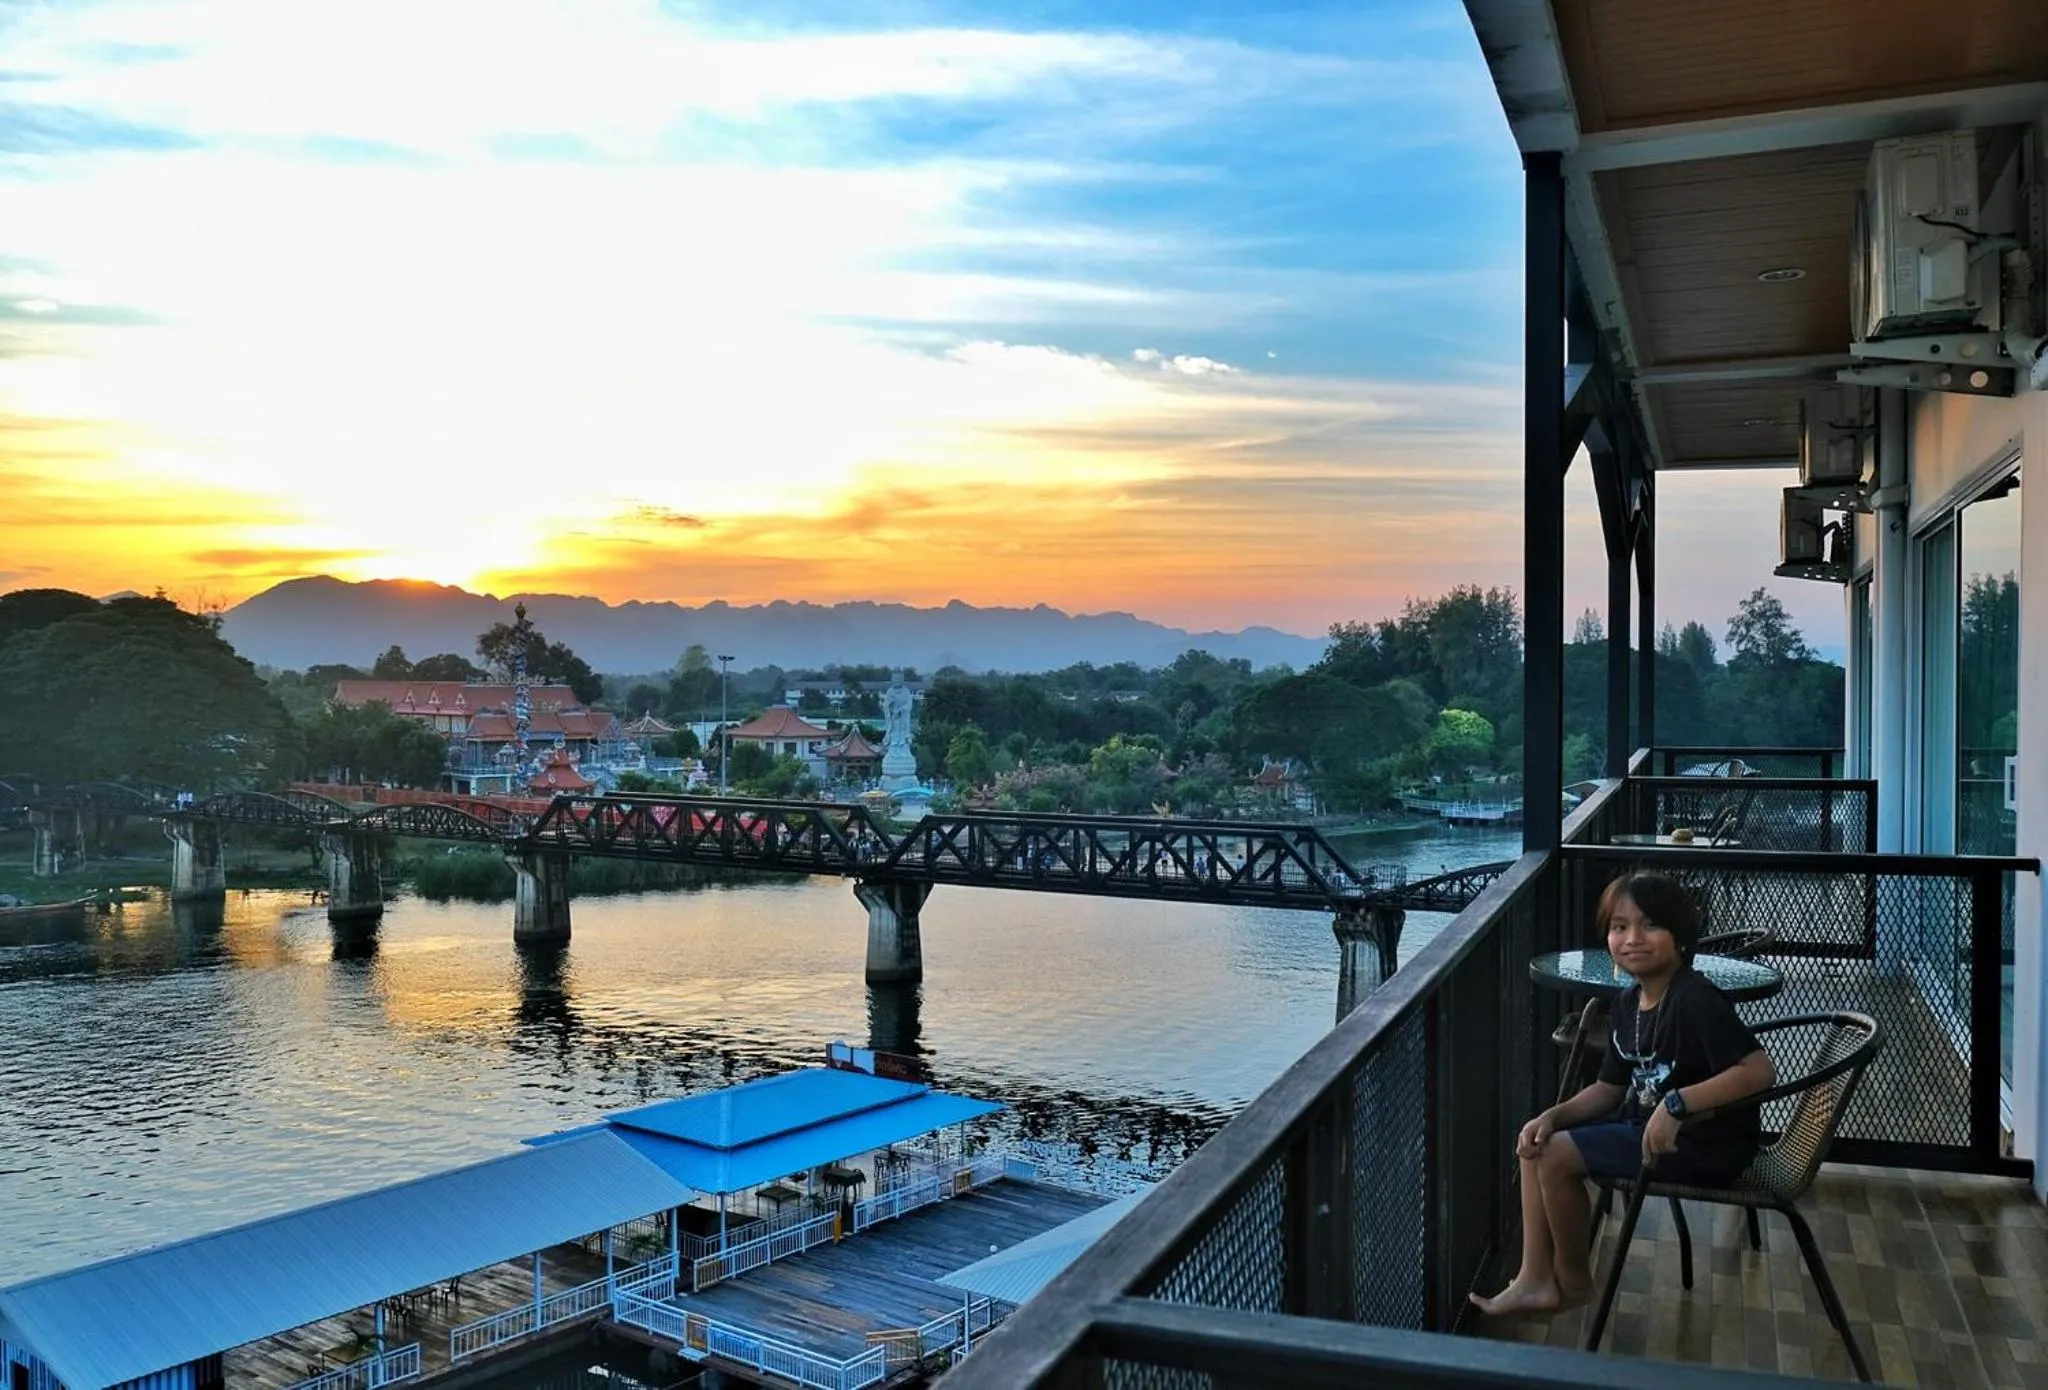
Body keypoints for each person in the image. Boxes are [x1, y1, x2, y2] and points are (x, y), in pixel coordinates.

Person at [1469, 870, 1776, 1317]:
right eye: (1619, 926)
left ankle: (1572, 1282)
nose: (1633, 938)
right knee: (1536, 1143)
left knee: (1556, 1157)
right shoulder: (1630, 1002)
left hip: (1705, 1144)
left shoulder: (1694, 999)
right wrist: (1551, 1117)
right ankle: (1535, 1277)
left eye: (1650, 924)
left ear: (1681, 934)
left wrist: (1677, 1103)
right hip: (1644, 1127)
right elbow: (1607, 1088)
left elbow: (1759, 1070)